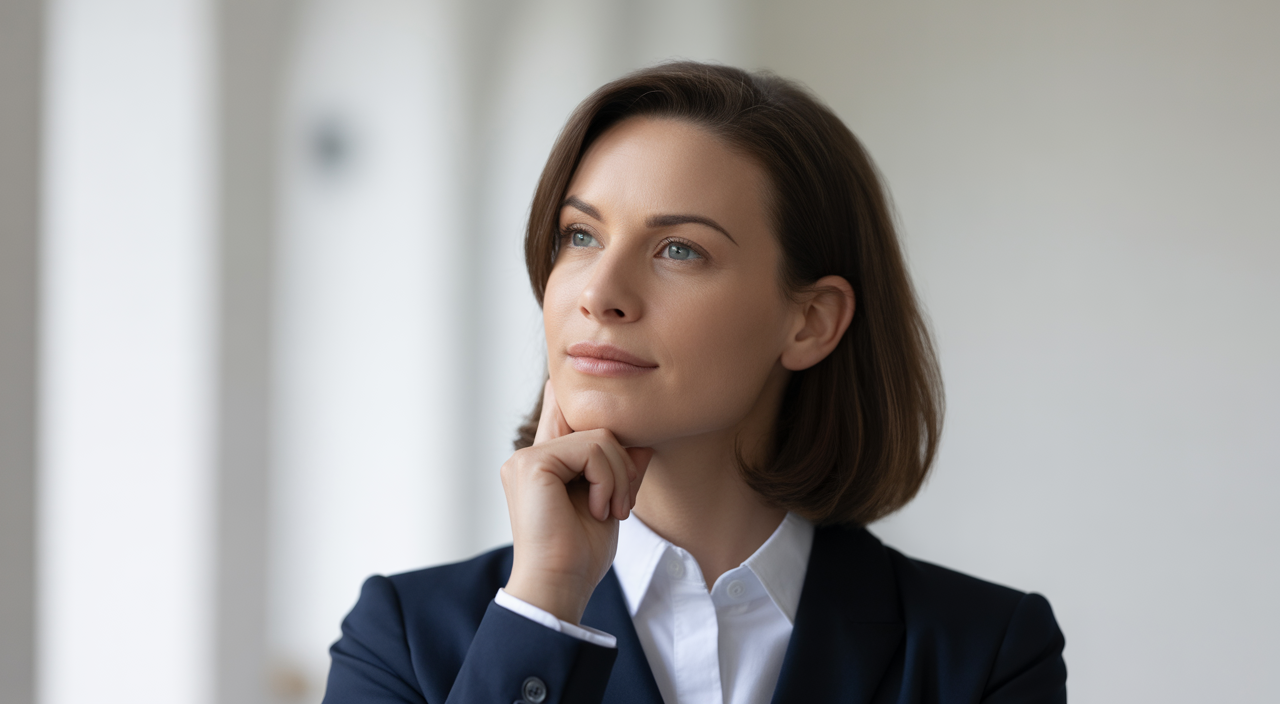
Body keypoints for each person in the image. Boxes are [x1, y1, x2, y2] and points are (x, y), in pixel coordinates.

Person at [322, 62, 1067, 704]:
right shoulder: (402, 639)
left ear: (810, 322)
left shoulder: (986, 654)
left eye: (678, 249)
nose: (599, 293)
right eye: (580, 236)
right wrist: (545, 602)